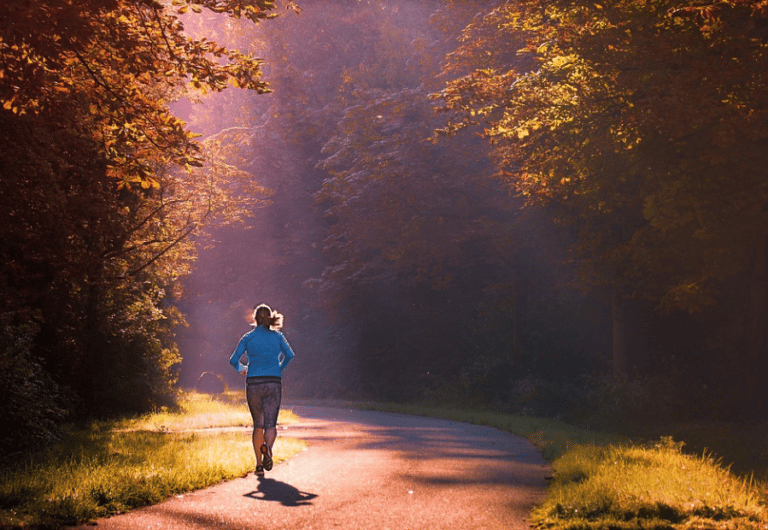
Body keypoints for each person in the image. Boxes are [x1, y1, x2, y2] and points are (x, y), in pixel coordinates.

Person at [229, 304, 295, 477]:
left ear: (255, 319)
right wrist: (279, 368)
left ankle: (259, 465)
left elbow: (233, 360)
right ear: (270, 319)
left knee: (258, 424)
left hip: (254, 382)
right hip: (273, 381)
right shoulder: (278, 337)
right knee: (271, 423)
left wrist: (242, 368)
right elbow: (290, 355)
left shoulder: (248, 338)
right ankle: (269, 451)